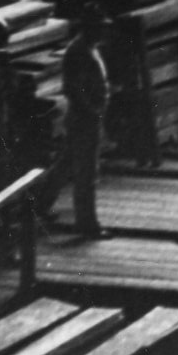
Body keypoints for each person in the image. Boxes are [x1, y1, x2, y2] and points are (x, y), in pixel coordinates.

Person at [62, 13, 111, 237]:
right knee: (87, 174)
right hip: (84, 118)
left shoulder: (89, 48)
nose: (104, 32)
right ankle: (87, 223)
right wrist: (91, 110)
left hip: (88, 117)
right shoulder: (79, 51)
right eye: (100, 27)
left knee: (68, 164)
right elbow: (74, 88)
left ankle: (39, 207)